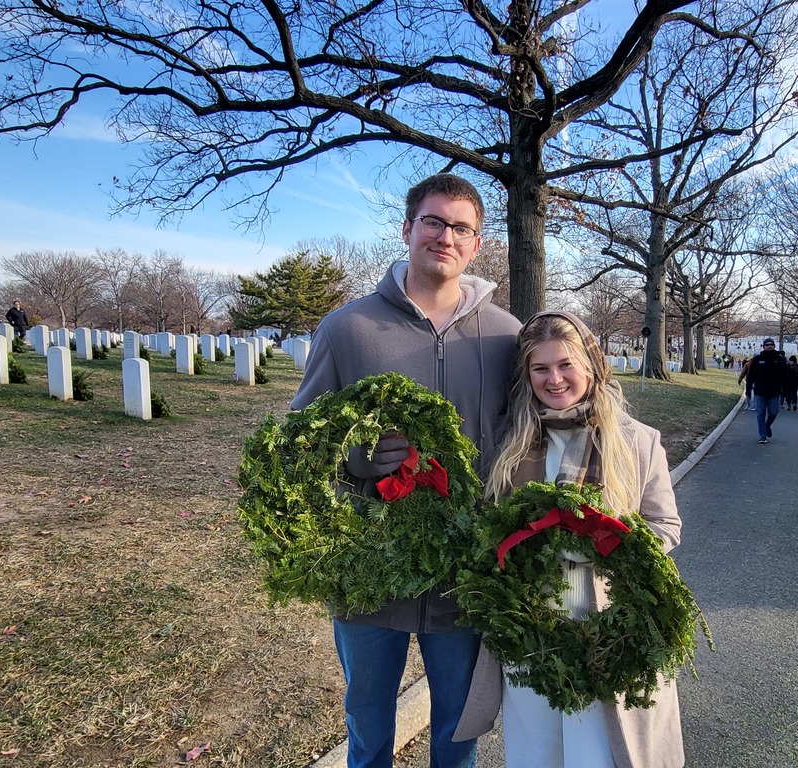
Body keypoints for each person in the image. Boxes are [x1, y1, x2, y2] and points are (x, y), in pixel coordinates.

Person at [289, 174, 521, 768]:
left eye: (461, 228)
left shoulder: (506, 336)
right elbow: (298, 444)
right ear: (407, 229)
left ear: (477, 244)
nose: (446, 237)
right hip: (369, 570)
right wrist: (355, 458)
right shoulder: (348, 328)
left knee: (458, 731)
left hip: (465, 572)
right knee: (368, 729)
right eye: (433, 222)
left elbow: (533, 439)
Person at [456, 310, 684, 768]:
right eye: (540, 368)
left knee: (598, 752)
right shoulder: (510, 443)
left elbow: (664, 524)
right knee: (538, 752)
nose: (554, 379)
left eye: (566, 365)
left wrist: (607, 545)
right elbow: (487, 526)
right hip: (530, 634)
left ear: (591, 366)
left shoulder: (636, 441)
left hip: (608, 630)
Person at [747, 338, 789, 443]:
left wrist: (785, 390)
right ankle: (763, 435)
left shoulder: (779, 359)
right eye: (767, 345)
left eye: (771, 344)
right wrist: (748, 389)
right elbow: (751, 376)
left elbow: (785, 375)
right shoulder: (757, 360)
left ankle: (767, 426)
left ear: (774, 346)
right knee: (760, 413)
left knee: (773, 412)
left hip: (774, 392)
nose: (769, 346)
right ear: (763, 346)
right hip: (760, 392)